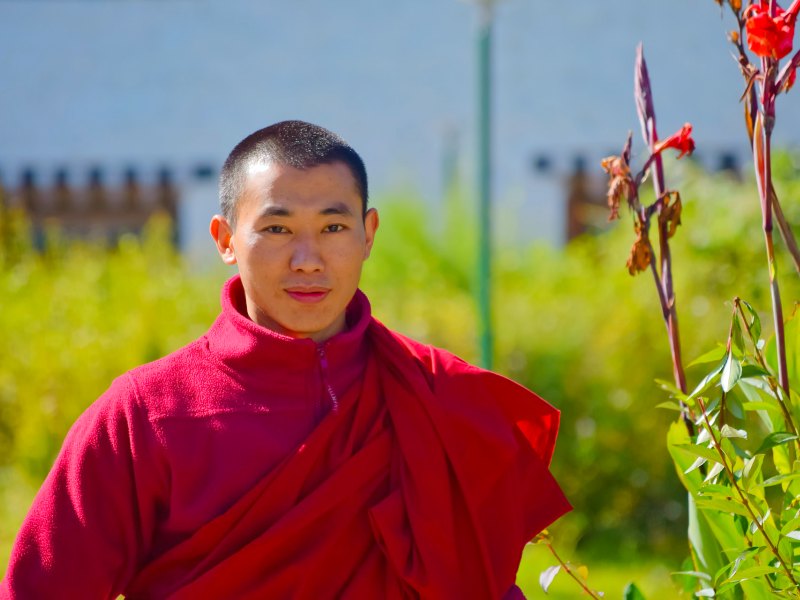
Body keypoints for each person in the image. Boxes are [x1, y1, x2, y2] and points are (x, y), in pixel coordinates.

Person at [0, 120, 570, 599]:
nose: (307, 259)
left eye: (333, 227)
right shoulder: (145, 415)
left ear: (368, 235)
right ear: (225, 238)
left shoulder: (434, 396)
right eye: (276, 228)